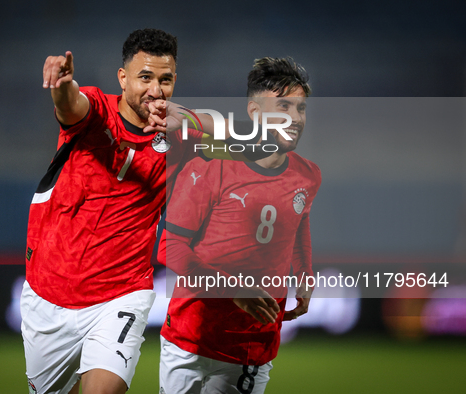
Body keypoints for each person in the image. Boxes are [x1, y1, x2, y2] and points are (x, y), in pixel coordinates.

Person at [21, 28, 205, 394]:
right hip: (49, 291)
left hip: (122, 293)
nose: (156, 90)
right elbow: (70, 103)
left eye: (165, 80)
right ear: (122, 79)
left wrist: (182, 120)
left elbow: (244, 139)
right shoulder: (97, 112)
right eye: (145, 78)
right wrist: (60, 83)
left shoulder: (183, 133)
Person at [157, 57, 322, 394]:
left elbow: (299, 221)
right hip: (190, 336)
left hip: (252, 344)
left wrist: (305, 275)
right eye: (284, 106)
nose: (295, 118)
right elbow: (170, 247)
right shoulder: (211, 163)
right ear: (255, 112)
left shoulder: (307, 175)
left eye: (301, 108)